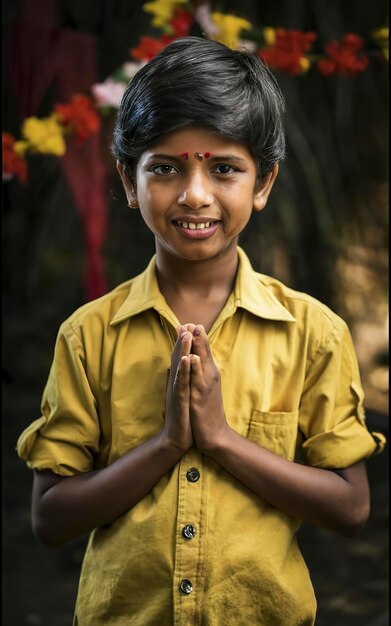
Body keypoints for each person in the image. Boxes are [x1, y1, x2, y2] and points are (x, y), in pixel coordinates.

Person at [17, 36, 385, 626]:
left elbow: (350, 508)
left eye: (224, 169)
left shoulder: (312, 332)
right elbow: (51, 518)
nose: (194, 194)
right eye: (164, 167)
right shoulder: (89, 335)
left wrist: (219, 439)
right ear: (128, 180)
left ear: (262, 183)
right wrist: (165, 444)